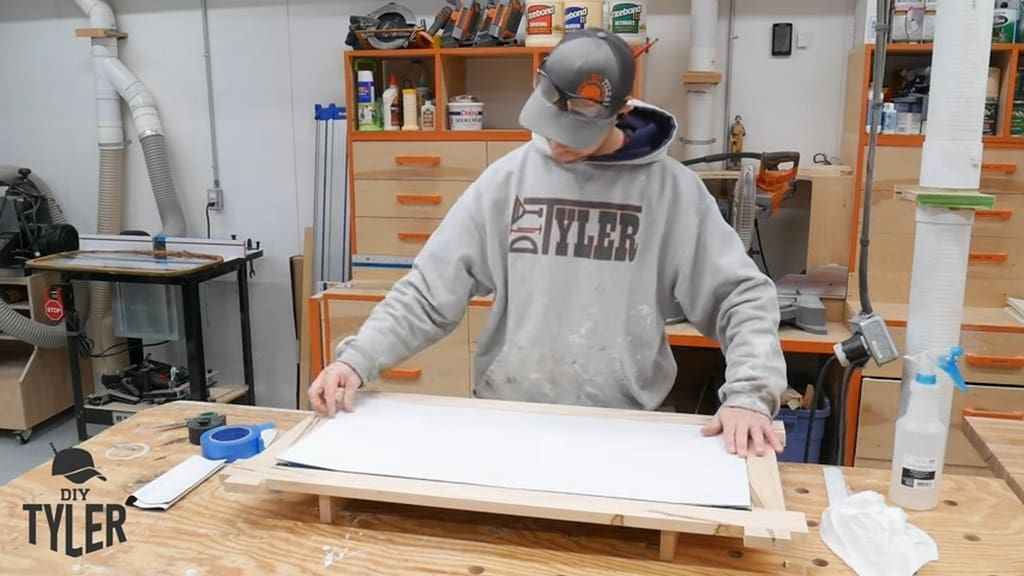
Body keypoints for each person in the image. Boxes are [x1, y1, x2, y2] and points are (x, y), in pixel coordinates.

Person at [310, 29, 787, 458]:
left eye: (575, 131)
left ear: (621, 111)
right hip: (507, 421)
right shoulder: (507, 182)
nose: (556, 141)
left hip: (623, 432)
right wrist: (358, 358)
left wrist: (749, 395)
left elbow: (741, 297)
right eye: (548, 122)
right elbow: (429, 291)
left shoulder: (672, 194)